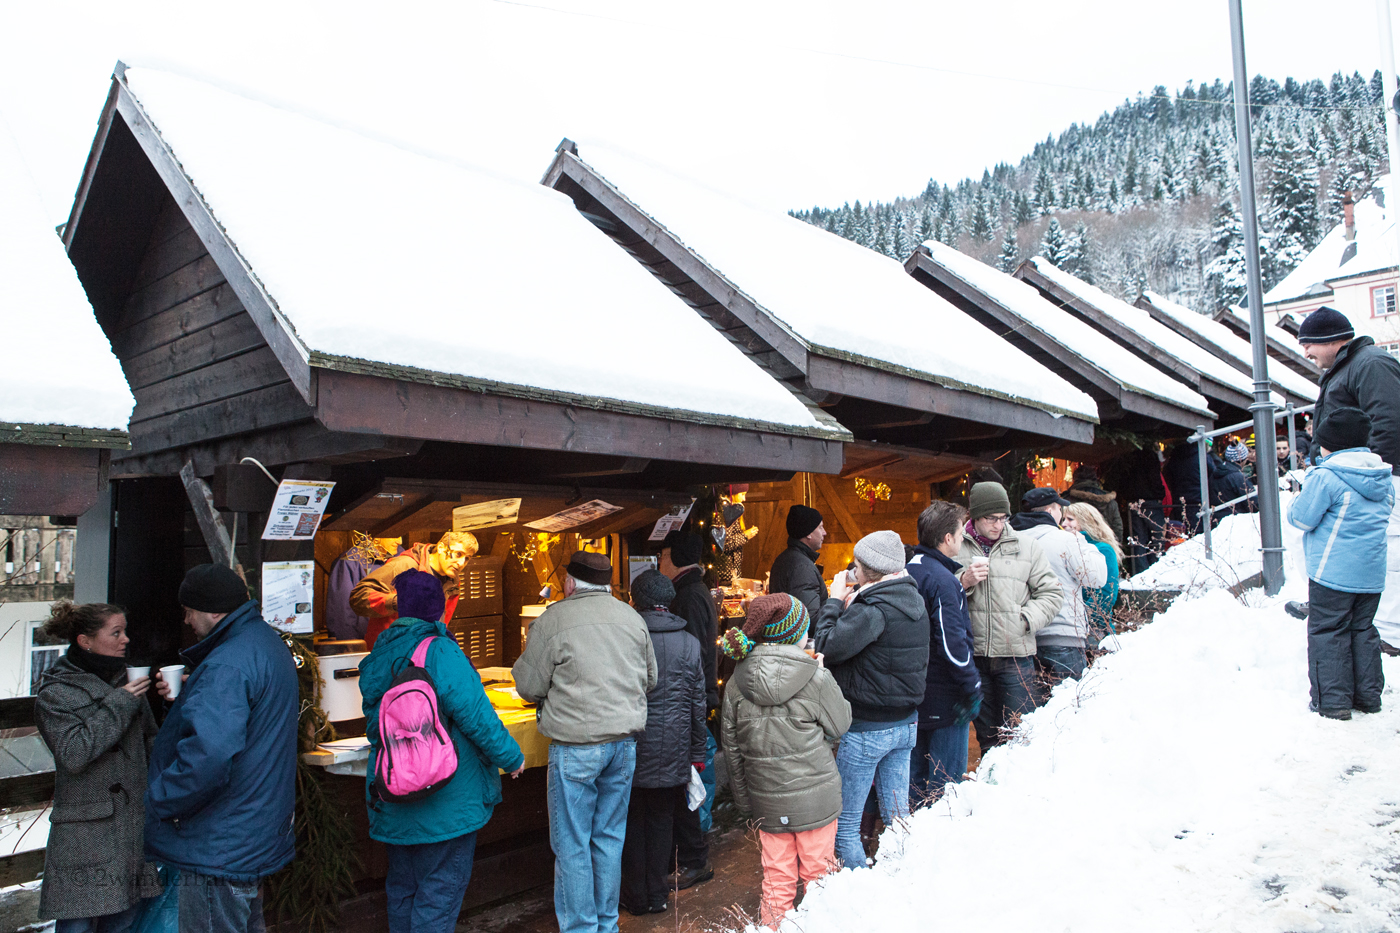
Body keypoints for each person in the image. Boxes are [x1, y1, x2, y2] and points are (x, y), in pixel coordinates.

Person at [360, 570, 525, 932]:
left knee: (403, 890)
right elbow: (476, 717)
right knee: (438, 895)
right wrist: (512, 757)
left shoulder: (379, 653)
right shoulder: (441, 650)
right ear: (436, 608)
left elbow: (375, 727)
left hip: (392, 795)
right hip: (447, 800)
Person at [146, 564, 299, 933]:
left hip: (219, 842)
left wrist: (159, 801)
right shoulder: (263, 643)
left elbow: (208, 759)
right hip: (251, 830)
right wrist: (192, 697)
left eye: (190, 610)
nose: (186, 620)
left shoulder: (227, 665)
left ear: (214, 612)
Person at [512, 552, 657, 933]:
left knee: (573, 845)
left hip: (576, 746)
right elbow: (651, 678)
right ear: (608, 584)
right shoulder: (632, 617)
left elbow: (527, 686)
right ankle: (607, 926)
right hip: (623, 745)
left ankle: (581, 929)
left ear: (570, 584)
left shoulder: (553, 620)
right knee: (609, 839)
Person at [718, 594, 850, 928]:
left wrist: (746, 802)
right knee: (820, 878)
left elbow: (731, 749)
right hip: (815, 797)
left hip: (767, 801)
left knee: (776, 880)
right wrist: (824, 676)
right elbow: (841, 724)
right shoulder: (814, 677)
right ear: (796, 634)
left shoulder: (735, 683)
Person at [34, 601, 159, 933]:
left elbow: (151, 743)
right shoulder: (56, 692)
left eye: (125, 631)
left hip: (130, 827)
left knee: (124, 922)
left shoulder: (127, 680)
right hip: (85, 834)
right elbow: (74, 752)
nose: (126, 640)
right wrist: (121, 702)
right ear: (85, 640)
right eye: (116, 633)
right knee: (77, 925)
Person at [811, 530, 929, 869]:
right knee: (898, 820)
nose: (853, 571)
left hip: (867, 727)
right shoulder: (911, 598)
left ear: (869, 571)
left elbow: (828, 645)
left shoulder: (874, 608)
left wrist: (834, 599)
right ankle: (905, 880)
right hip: (906, 723)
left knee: (844, 828)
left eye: (857, 566)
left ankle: (860, 897)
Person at [1296, 306, 1400, 651]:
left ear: (1329, 340)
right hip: (1355, 478)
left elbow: (1388, 422)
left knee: (1388, 551)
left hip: (1375, 479)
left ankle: (1390, 632)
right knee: (1344, 547)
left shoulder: (1370, 364)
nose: (1305, 352)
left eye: (1308, 344)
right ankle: (1338, 609)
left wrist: (1367, 471)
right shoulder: (1348, 367)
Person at [1286, 407, 1395, 719]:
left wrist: (1298, 496)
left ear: (1330, 444)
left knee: (1329, 631)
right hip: (1371, 573)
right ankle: (1368, 699)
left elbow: (1301, 518)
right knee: (1363, 629)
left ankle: (1332, 703)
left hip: (1332, 573)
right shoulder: (1382, 477)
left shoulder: (1326, 477)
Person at [619, 571, 705, 916]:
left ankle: (635, 897)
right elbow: (698, 704)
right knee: (661, 821)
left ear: (633, 601)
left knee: (630, 820)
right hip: (674, 749)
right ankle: (658, 895)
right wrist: (697, 753)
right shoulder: (689, 643)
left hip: (631, 745)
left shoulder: (625, 638)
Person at [956, 482, 1062, 750]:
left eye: (1003, 518)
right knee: (987, 736)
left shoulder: (1027, 546)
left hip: (1016, 655)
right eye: (991, 518)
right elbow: (940, 594)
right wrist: (964, 581)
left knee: (1022, 734)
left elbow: (1051, 593)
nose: (998, 525)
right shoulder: (956, 547)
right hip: (974, 657)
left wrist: (1025, 620)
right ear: (975, 516)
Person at [905, 502, 981, 805]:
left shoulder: (908, 570)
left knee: (914, 777)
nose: (963, 538)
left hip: (911, 693)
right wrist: (971, 685)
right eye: (961, 532)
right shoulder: (944, 581)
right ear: (947, 538)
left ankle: (905, 839)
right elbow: (952, 642)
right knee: (944, 784)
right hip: (945, 695)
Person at [658, 530, 718, 884]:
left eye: (663, 555)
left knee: (691, 782)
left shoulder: (689, 596)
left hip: (690, 702)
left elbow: (691, 655)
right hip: (696, 700)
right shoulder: (695, 590)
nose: (660, 562)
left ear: (675, 556)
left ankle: (695, 853)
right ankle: (690, 852)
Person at [1010, 488, 1108, 698]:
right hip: (1064, 637)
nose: (1062, 516)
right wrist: (1083, 541)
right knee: (1068, 711)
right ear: (1049, 510)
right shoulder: (1064, 540)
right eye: (1059, 509)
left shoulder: (1011, 540)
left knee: (1036, 716)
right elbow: (1097, 577)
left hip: (1024, 639)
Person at [351, 530, 478, 649]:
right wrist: (398, 602)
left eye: (467, 558)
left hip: (420, 655)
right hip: (388, 654)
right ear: (441, 547)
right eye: (458, 554)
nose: (461, 563)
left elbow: (441, 625)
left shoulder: (453, 582)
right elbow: (358, 597)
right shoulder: (405, 566)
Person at [1061, 503, 1122, 647]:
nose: (1064, 524)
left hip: (1093, 631)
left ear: (1085, 520)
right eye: (1063, 519)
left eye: (1070, 519)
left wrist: (1084, 620)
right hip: (1069, 626)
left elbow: (1106, 592)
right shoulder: (1065, 546)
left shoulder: (1103, 549)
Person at [769, 505, 828, 617]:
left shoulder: (786, 558)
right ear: (808, 533)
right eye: (820, 527)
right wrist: (836, 602)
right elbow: (810, 618)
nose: (824, 532)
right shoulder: (802, 568)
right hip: (801, 634)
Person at [1064, 464, 1124, 544]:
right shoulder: (1110, 501)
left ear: (1074, 478)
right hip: (1105, 545)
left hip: (1075, 545)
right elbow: (1117, 528)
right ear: (1096, 478)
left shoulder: (1067, 500)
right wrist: (1114, 546)